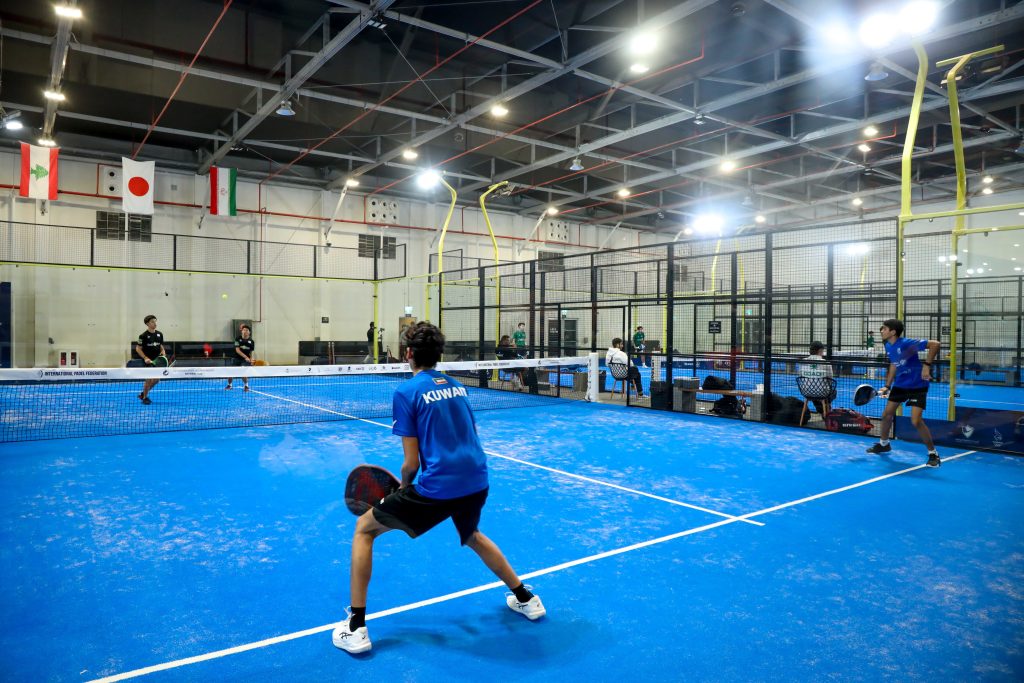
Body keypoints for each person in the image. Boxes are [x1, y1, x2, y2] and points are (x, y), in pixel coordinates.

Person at [333, 322, 545, 654]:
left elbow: (411, 463)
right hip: (477, 479)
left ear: (408, 354)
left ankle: (355, 627)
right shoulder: (458, 387)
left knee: (364, 529)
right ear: (438, 355)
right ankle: (526, 599)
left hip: (440, 487)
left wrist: (402, 489)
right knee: (472, 535)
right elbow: (470, 435)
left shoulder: (406, 392)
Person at [866, 318, 942, 467]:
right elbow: (894, 364)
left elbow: (935, 344)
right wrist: (887, 385)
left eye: (884, 329)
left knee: (916, 421)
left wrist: (927, 365)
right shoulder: (888, 345)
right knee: (886, 415)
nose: (881, 331)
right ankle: (884, 444)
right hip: (900, 384)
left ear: (893, 332)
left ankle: (933, 454)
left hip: (917, 384)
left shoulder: (907, 344)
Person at [799, 341, 834, 424]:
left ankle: (821, 409)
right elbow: (830, 378)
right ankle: (825, 412)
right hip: (821, 392)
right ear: (820, 350)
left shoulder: (803, 362)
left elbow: (800, 375)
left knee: (815, 390)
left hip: (805, 391)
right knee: (831, 392)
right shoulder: (825, 363)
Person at [135, 314, 166, 405]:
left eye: (155, 321)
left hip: (157, 361)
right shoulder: (143, 336)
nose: (155, 323)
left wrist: (163, 352)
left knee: (156, 380)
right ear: (147, 324)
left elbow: (160, 346)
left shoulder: (160, 334)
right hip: (147, 361)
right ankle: (145, 398)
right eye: (152, 322)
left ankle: (143, 394)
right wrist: (145, 358)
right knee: (148, 379)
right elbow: (138, 348)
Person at [226, 324, 254, 391]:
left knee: (243, 372)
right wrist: (246, 357)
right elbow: (237, 350)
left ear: (249, 332)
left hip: (245, 361)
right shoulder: (237, 339)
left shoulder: (251, 341)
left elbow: (251, 352)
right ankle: (229, 385)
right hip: (236, 358)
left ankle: (246, 386)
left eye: (246, 330)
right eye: (244, 330)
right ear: (242, 331)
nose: (245, 331)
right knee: (230, 372)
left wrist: (251, 359)